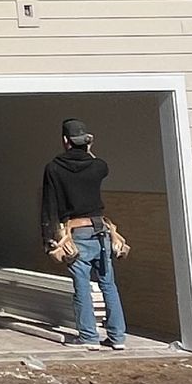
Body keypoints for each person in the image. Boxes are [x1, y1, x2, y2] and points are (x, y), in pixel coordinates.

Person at [40, 118, 128, 351]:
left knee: (82, 285)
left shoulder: (54, 168)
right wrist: (87, 148)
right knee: (108, 284)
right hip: (102, 230)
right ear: (86, 141)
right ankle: (117, 338)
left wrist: (49, 237)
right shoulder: (98, 166)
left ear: (65, 141)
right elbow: (96, 161)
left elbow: (49, 203)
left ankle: (89, 337)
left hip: (75, 232)